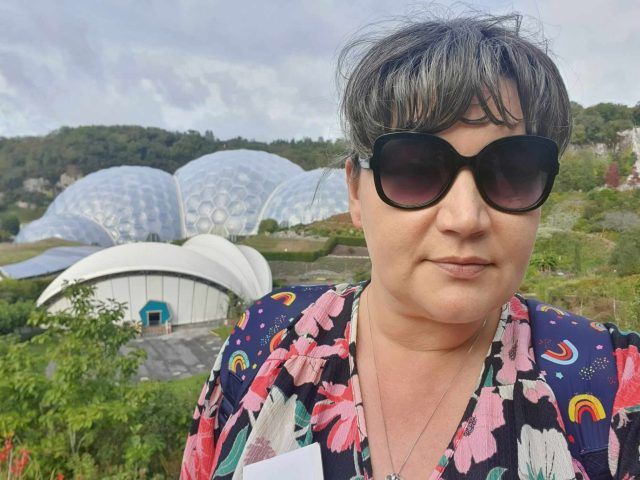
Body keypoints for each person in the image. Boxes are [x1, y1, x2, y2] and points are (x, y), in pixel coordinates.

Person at [181, 12, 640, 480]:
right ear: (356, 192)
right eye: (416, 168)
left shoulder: (611, 382)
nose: (466, 218)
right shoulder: (265, 340)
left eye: (513, 171)